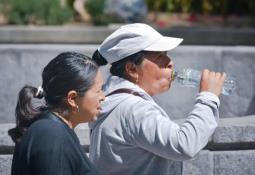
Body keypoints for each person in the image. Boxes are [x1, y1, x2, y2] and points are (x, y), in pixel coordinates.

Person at [89, 23, 226, 175]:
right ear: (132, 69)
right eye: (160, 56)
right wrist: (208, 98)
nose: (170, 62)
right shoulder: (134, 109)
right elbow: (185, 145)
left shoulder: (114, 101)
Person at [9, 52, 105, 175]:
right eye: (98, 90)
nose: (103, 96)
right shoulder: (51, 136)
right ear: (72, 98)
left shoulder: (53, 130)